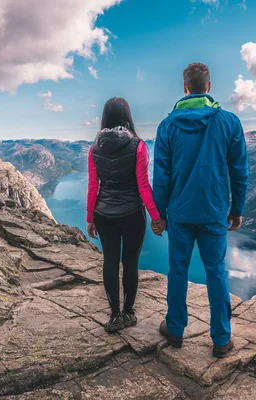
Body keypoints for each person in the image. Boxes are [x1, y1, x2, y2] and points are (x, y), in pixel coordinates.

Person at [153, 63, 249, 358]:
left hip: (180, 214)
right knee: (216, 273)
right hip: (214, 212)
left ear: (185, 88)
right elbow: (239, 171)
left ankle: (175, 329)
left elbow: (161, 176)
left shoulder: (167, 126)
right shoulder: (229, 122)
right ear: (209, 86)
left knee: (178, 271)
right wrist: (237, 209)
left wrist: (159, 215)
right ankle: (221, 339)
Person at [86, 97, 165, 333]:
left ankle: (114, 316)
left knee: (110, 262)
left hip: (104, 214)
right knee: (130, 262)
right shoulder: (138, 145)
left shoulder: (94, 148)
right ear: (127, 116)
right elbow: (143, 185)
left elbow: (93, 186)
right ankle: (129, 313)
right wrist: (156, 216)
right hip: (132, 214)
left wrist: (90, 217)